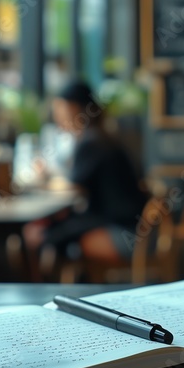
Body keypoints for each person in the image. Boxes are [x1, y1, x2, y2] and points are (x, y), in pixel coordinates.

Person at [24, 81, 148, 275]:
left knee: (46, 235)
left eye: (58, 108)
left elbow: (72, 186)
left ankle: (47, 290)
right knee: (55, 230)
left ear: (73, 108)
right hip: (134, 226)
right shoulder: (102, 137)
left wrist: (42, 179)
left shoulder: (92, 142)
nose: (56, 116)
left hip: (123, 231)